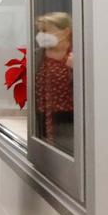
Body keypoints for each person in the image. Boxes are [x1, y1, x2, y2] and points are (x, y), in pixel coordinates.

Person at [35, 11, 75, 146]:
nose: (42, 35)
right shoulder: (38, 56)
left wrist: (76, 70)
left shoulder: (79, 55)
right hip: (42, 120)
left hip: (69, 121)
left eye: (47, 31)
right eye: (41, 31)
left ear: (65, 32)